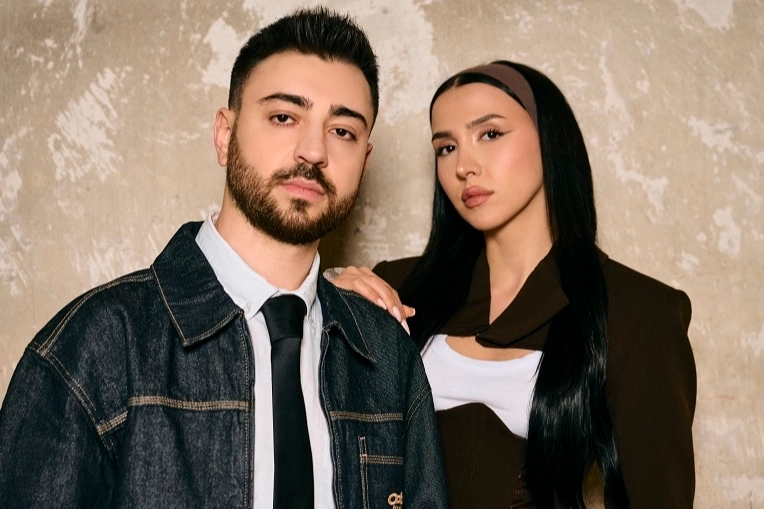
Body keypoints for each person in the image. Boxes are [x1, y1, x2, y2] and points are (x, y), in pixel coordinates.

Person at [0, 8, 447, 509]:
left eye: (342, 130)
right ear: (224, 136)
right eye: (284, 117)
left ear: (363, 158)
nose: (313, 150)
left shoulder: (388, 358)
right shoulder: (96, 344)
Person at [331, 61, 696, 508]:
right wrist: (325, 300)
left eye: (490, 134)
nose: (464, 166)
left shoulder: (639, 312)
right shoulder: (396, 285)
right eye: (446, 147)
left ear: (550, 140)